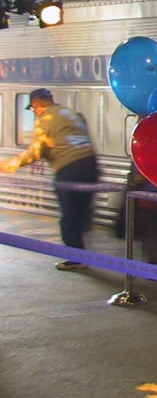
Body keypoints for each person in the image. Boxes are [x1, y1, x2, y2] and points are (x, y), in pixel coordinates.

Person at [2, 88, 99, 270]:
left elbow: (36, 152)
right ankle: (83, 251)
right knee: (79, 213)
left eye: (33, 108)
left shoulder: (45, 119)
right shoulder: (70, 113)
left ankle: (77, 257)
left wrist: (8, 165)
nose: (35, 112)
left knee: (69, 217)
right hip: (91, 165)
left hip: (69, 169)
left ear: (37, 104)